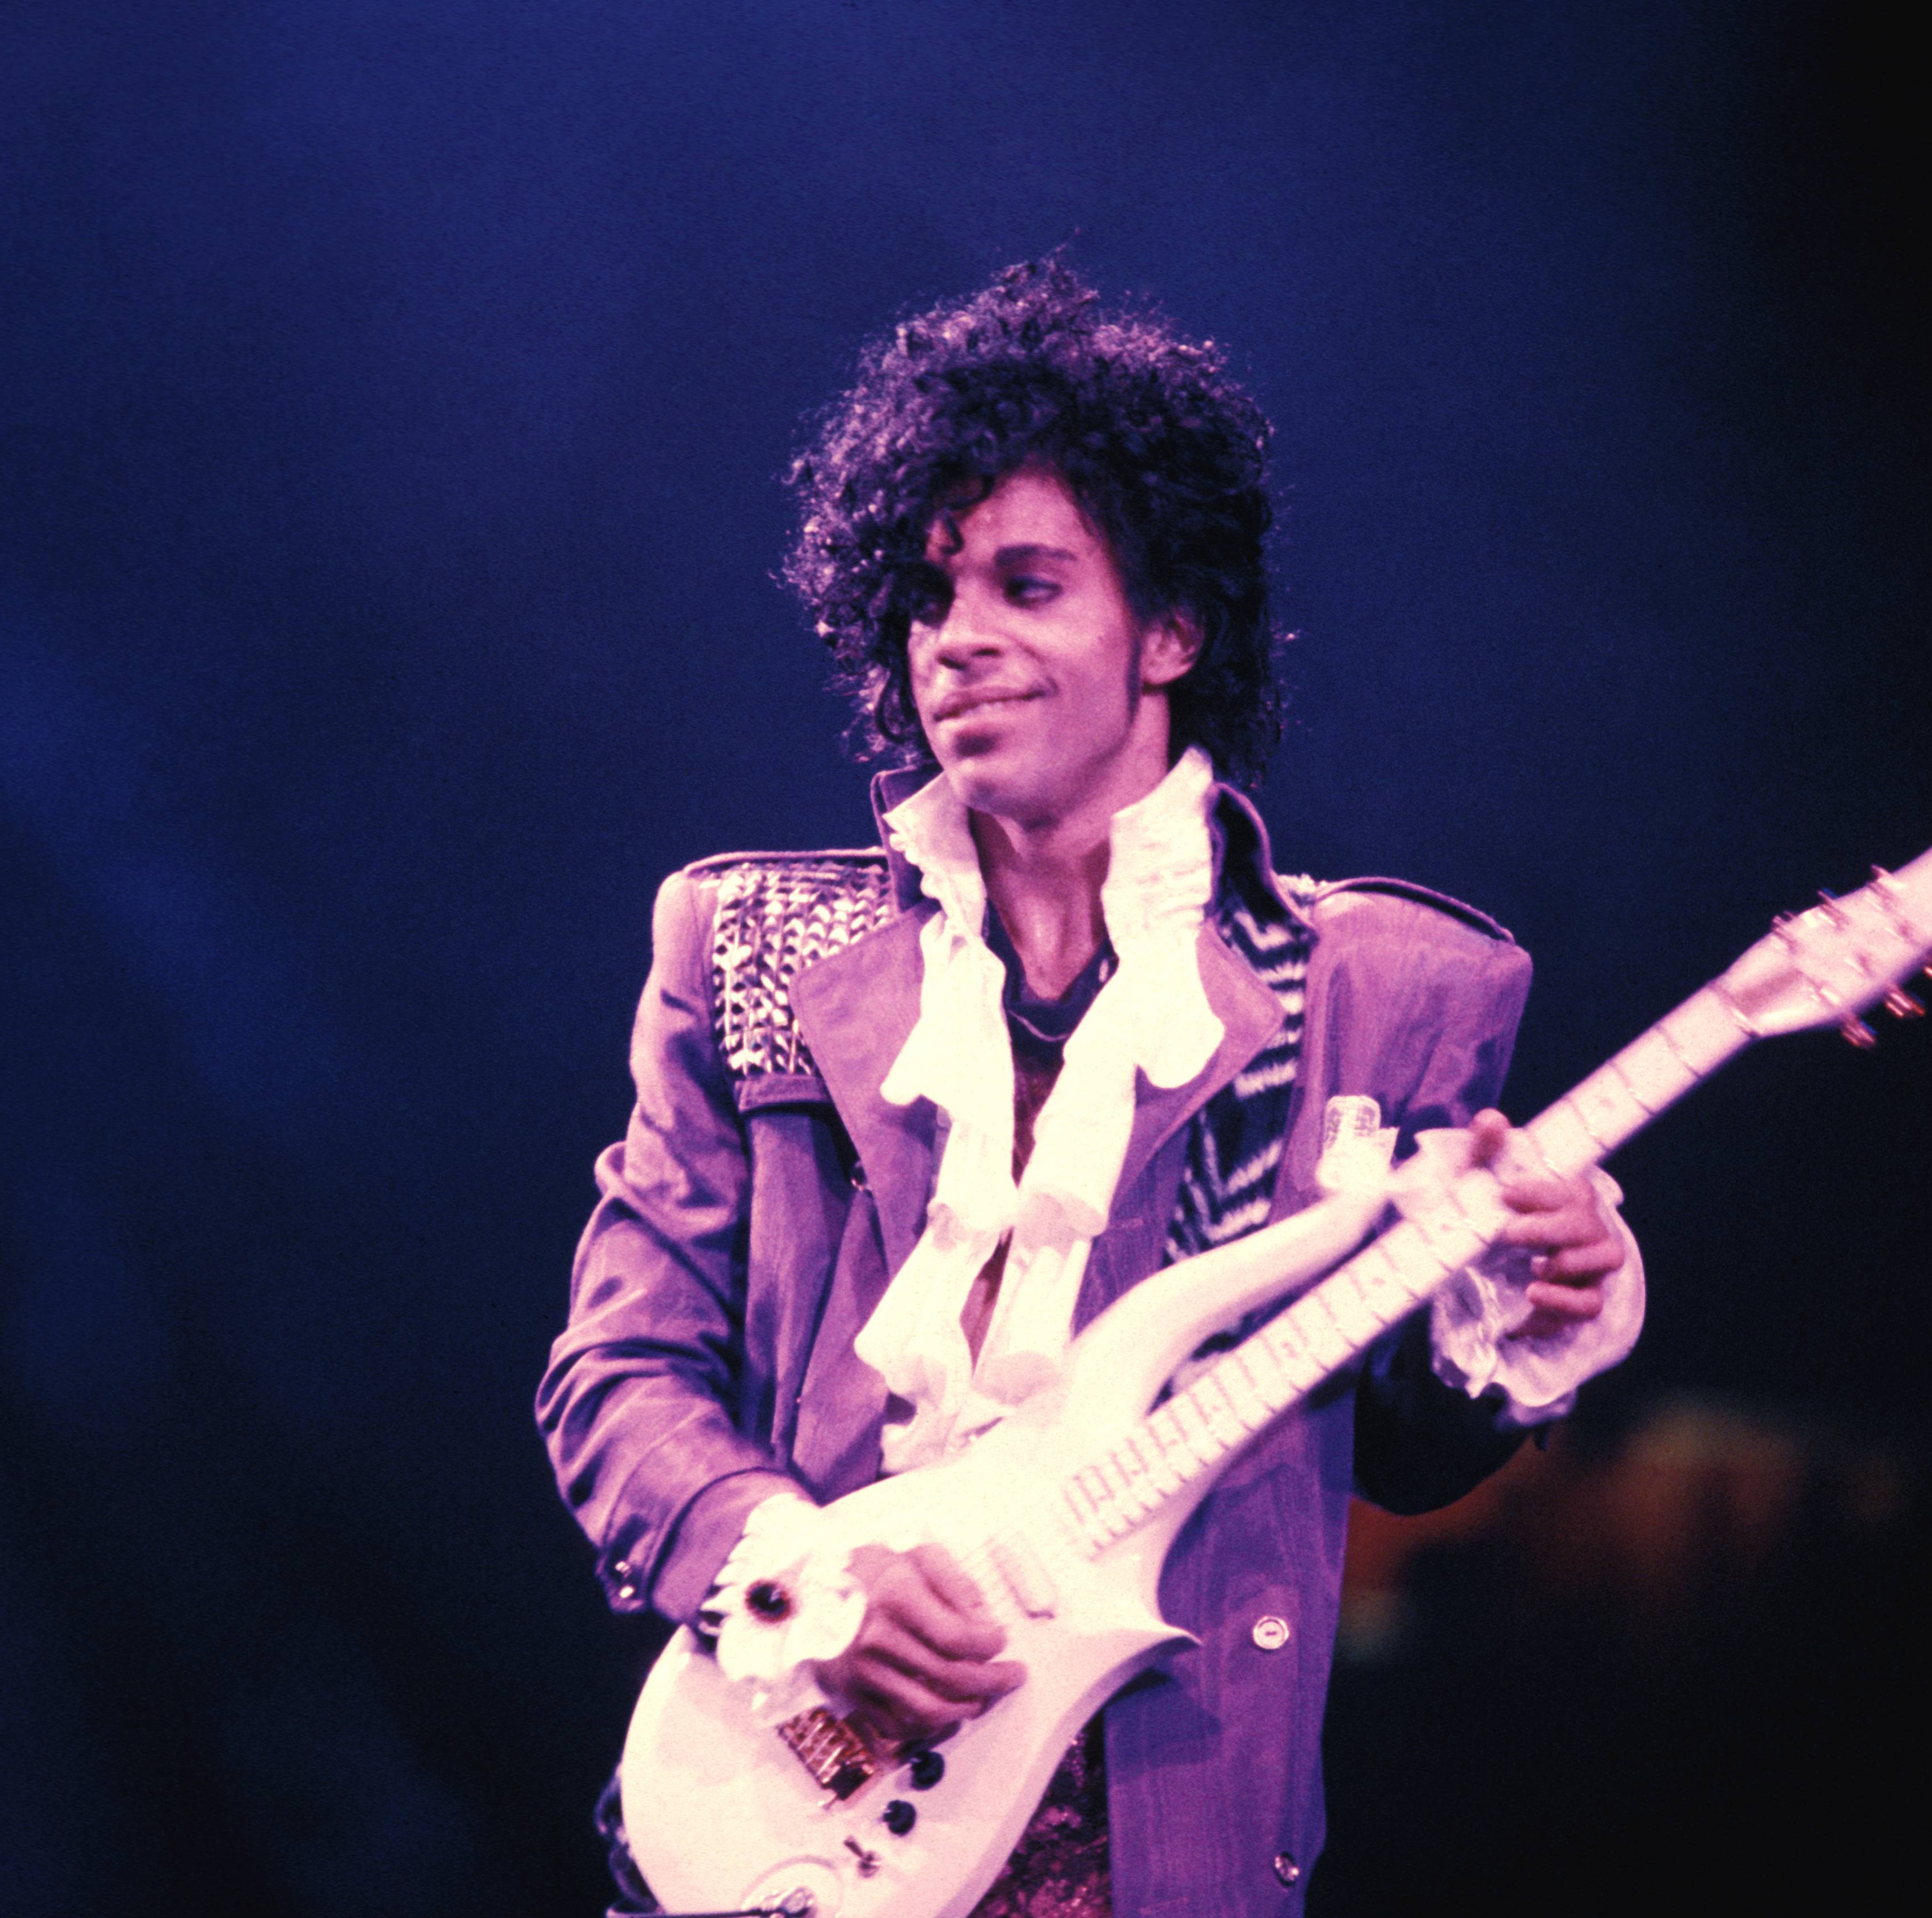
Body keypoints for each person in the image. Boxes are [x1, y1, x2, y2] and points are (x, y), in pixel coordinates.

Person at [537, 259, 1646, 1916]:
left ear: (1172, 630)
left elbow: (1399, 1447)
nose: (955, 642)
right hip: (796, 1800)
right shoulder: (748, 944)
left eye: (1026, 586)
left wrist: (1535, 1300)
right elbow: (616, 1373)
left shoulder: (1377, 990)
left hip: (1162, 1848)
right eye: (925, 600)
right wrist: (799, 1575)